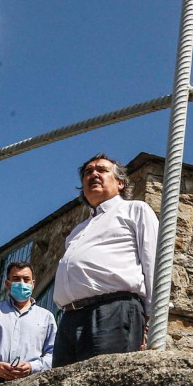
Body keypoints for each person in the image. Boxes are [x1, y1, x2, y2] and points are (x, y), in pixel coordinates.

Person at [53, 154, 158, 367]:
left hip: (113, 312)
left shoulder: (135, 210)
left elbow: (154, 263)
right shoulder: (76, 231)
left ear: (120, 182)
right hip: (70, 318)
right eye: (88, 172)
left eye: (101, 170)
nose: (93, 174)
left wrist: (153, 322)